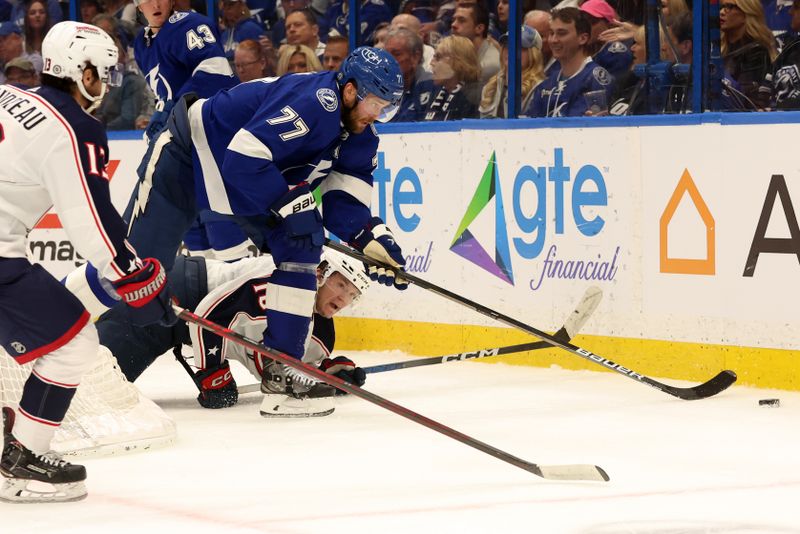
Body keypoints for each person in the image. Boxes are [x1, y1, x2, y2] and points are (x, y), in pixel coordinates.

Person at [120, 47, 409, 407]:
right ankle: (79, 359)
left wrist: (370, 238)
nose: (378, 115)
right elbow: (243, 158)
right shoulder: (316, 103)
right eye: (375, 104)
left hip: (247, 178)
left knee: (302, 241)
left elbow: (343, 204)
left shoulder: (361, 135)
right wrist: (290, 204)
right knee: (132, 272)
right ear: (350, 90)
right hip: (188, 158)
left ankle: (282, 367)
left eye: (387, 108)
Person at [0, 21, 174, 504]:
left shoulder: (7, 95)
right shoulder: (73, 127)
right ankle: (24, 462)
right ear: (84, 71)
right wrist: (133, 274)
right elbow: (92, 225)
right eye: (106, 73)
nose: (108, 84)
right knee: (75, 344)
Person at [97, 251, 371, 416]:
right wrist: (212, 372)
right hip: (181, 289)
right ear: (322, 272)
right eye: (340, 284)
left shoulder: (322, 335)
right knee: (89, 378)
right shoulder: (286, 284)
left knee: (99, 385)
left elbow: (277, 370)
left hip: (190, 318)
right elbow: (209, 314)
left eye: (352, 294)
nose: (343, 298)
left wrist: (322, 373)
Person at [133, 0, 238, 142]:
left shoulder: (188, 25)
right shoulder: (141, 44)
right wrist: (160, 113)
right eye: (148, 0)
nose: (156, 5)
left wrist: (173, 110)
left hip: (215, 123)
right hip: (181, 132)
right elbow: (163, 92)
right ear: (139, 5)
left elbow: (216, 72)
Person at [524, 7, 614, 117]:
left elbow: (578, 127)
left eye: (561, 33)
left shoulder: (594, 79)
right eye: (551, 33)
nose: (553, 40)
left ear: (583, 38)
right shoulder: (547, 81)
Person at [480, 25, 545, 118]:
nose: (511, 51)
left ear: (533, 54)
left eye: (520, 47)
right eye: (507, 46)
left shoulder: (540, 88)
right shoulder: (490, 87)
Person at [720, 0, 776, 108]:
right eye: (722, 7)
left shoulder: (757, 52)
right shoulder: (717, 49)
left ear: (746, 12)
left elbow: (746, 101)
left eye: (729, 7)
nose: (722, 12)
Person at [424, 34, 481, 120]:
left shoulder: (473, 96)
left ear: (458, 62)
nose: (431, 63)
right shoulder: (436, 91)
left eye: (438, 57)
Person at [385, 26, 434, 121]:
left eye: (397, 54)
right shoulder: (380, 89)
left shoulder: (430, 85)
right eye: (386, 54)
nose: (388, 60)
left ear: (416, 56)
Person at [450, 2, 500, 90]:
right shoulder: (457, 52)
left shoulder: (488, 66)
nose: (453, 25)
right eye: (454, 20)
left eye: (461, 20)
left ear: (479, 29)